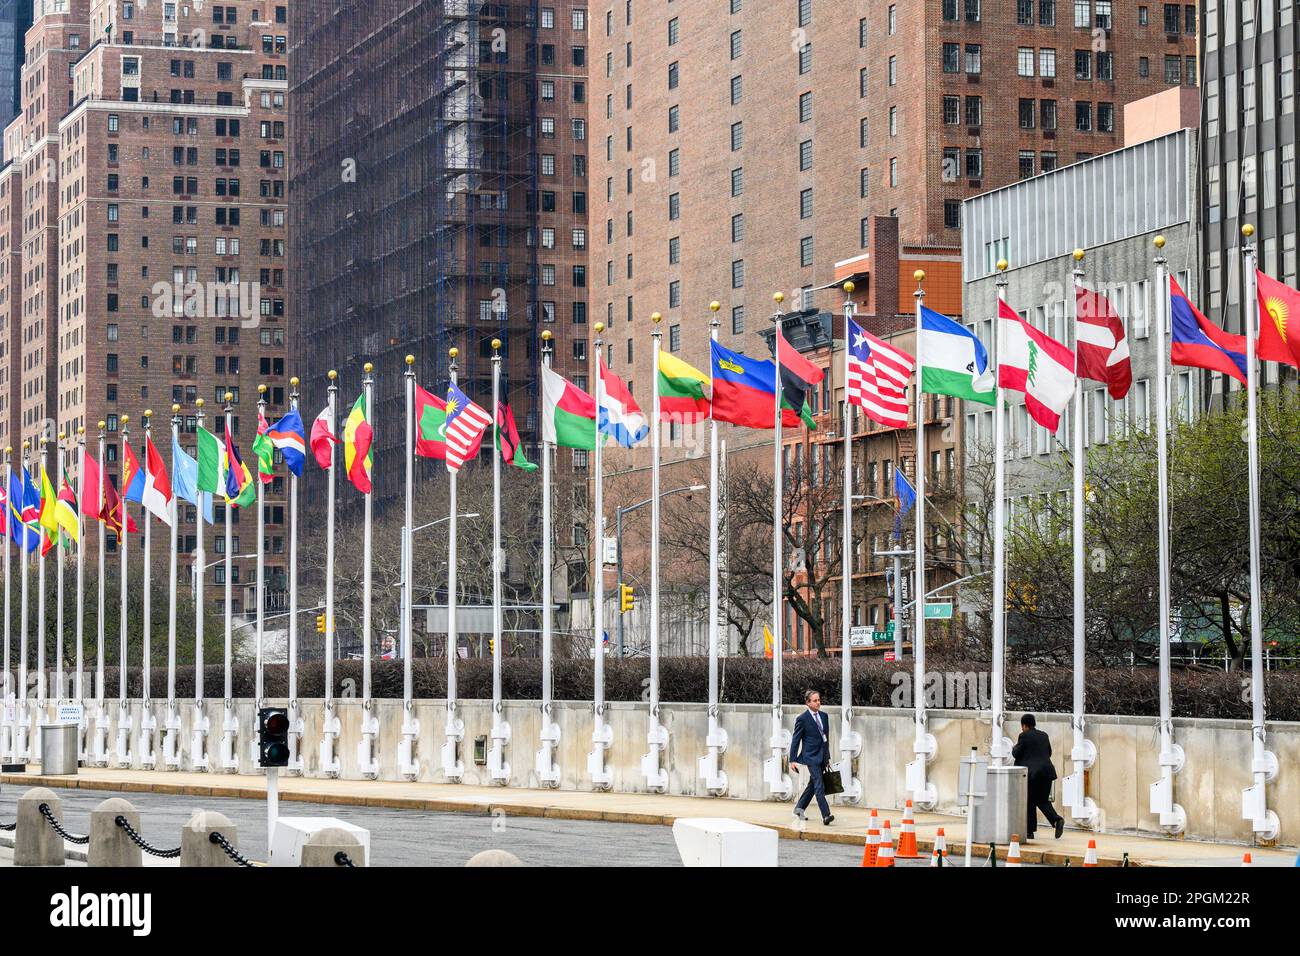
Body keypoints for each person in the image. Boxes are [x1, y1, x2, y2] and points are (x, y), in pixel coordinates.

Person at [1012, 713, 1063, 840]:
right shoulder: (1044, 735)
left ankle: (1029, 831)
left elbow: (1016, 753)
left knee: (1029, 801)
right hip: (1047, 773)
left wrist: (1014, 748)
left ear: (1024, 725)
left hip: (1033, 775)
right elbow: (1049, 752)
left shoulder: (1023, 736)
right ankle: (1057, 820)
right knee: (1042, 800)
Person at [789, 689, 834, 826]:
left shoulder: (824, 716)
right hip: (810, 757)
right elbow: (796, 740)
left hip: (822, 756)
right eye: (815, 701)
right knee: (819, 785)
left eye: (819, 700)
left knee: (813, 785)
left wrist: (827, 758)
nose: (818, 703)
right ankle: (826, 815)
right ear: (807, 703)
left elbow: (825, 739)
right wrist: (792, 759)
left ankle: (799, 808)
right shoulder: (802, 719)